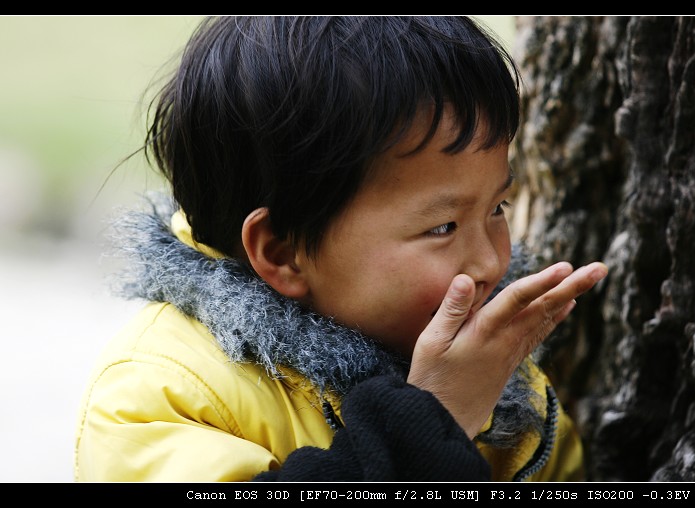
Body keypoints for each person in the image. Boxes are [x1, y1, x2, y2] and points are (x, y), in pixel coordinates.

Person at [74, 16, 608, 482]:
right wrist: (433, 418)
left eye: (497, 209)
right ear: (283, 253)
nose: (492, 262)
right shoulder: (161, 398)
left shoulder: (495, 375)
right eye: (443, 226)